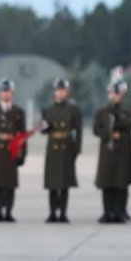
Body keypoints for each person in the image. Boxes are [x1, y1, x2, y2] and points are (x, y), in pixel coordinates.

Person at [94, 79, 131, 223]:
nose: (115, 96)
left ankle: (119, 212)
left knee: (120, 182)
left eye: (118, 93)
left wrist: (118, 121)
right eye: (113, 93)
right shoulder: (102, 112)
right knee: (107, 182)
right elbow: (97, 129)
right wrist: (109, 134)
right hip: (108, 150)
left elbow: (130, 123)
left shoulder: (127, 111)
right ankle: (107, 212)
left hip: (122, 152)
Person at [41, 78, 83, 223]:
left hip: (67, 147)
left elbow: (78, 130)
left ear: (67, 92)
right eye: (58, 90)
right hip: (53, 148)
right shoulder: (47, 110)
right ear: (54, 92)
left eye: (63, 90)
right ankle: (52, 212)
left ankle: (63, 213)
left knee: (65, 183)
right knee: (52, 183)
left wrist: (77, 149)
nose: (60, 93)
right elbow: (45, 130)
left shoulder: (73, 110)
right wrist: (44, 128)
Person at [0, 78, 26, 222]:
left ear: (12, 93)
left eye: (7, 91)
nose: (5, 94)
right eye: (3, 91)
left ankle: (8, 211)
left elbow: (22, 134)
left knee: (10, 183)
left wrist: (23, 154)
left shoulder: (18, 111)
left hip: (12, 148)